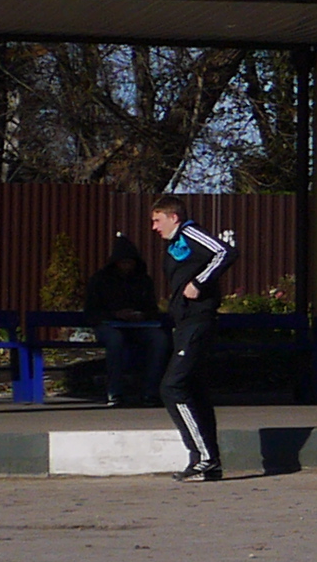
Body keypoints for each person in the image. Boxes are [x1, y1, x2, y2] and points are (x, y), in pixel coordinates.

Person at [145, 197, 234, 482]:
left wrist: (199, 282)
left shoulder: (191, 232)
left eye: (158, 220)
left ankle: (204, 458)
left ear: (174, 217)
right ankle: (206, 462)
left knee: (172, 386)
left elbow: (225, 252)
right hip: (184, 323)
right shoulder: (174, 244)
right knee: (194, 390)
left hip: (198, 321)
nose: (154, 227)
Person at [85, 231, 161, 408]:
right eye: (123, 262)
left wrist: (141, 315)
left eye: (130, 262)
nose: (127, 266)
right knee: (115, 340)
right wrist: (115, 315)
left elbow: (152, 309)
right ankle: (115, 392)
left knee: (160, 340)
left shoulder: (143, 280)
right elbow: (91, 311)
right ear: (115, 262)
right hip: (109, 325)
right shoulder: (100, 280)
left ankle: (151, 392)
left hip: (139, 325)